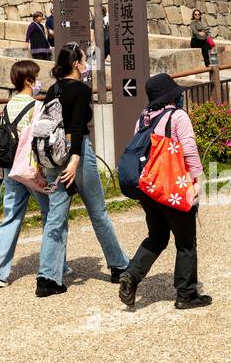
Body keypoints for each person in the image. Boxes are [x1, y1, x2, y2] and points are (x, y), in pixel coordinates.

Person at [32, 43, 130, 297]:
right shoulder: (81, 89)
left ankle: (47, 277)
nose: (87, 62)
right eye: (84, 59)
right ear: (76, 63)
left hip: (53, 156)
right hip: (77, 153)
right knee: (98, 212)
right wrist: (75, 159)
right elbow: (76, 127)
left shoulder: (53, 89)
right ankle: (119, 266)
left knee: (56, 215)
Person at [117, 72, 211, 310]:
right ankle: (186, 293)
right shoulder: (177, 116)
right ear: (172, 96)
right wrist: (196, 180)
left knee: (157, 237)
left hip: (149, 188)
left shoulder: (143, 119)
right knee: (185, 241)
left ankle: (131, 275)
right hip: (173, 186)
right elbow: (189, 149)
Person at [0, 59, 68, 288]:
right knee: (52, 212)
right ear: (29, 80)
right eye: (36, 77)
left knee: (12, 214)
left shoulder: (7, 106)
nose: (39, 82)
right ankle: (55, 263)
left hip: (11, 169)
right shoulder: (35, 106)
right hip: (31, 168)